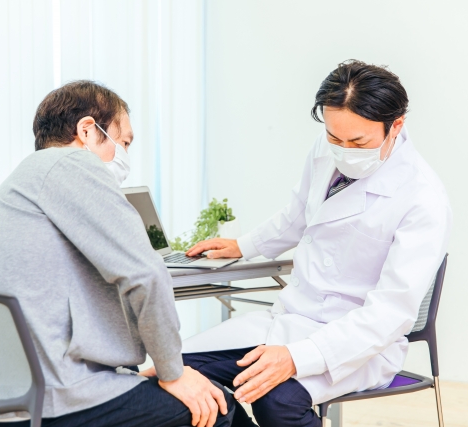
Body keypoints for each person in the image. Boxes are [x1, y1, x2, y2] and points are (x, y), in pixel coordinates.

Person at [0, 81, 234, 427]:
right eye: (124, 143)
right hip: (38, 404)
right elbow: (146, 274)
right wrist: (173, 372)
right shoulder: (72, 163)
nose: (124, 156)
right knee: (218, 406)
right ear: (88, 131)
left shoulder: (26, 180)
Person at [180, 60, 452, 427]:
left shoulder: (423, 198)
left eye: (358, 142)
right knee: (182, 371)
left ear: (396, 126)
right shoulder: (328, 149)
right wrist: (243, 245)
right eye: (334, 137)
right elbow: (298, 213)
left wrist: (297, 358)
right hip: (291, 319)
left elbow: (389, 314)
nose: (344, 150)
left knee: (275, 400)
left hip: (358, 343)